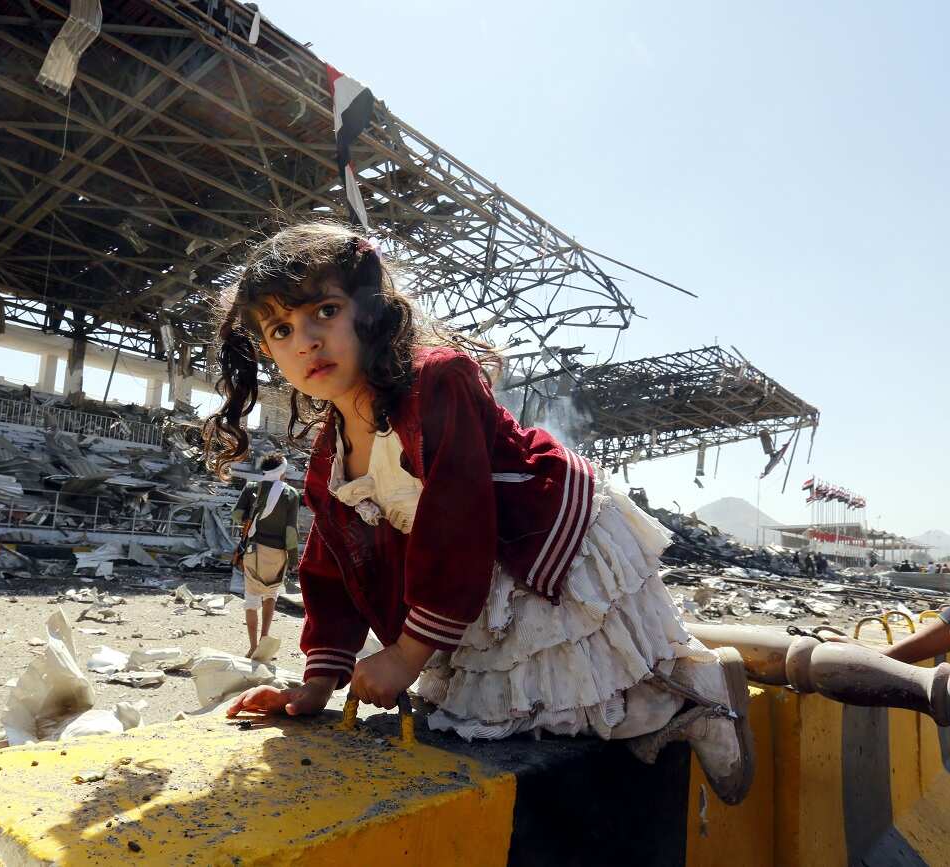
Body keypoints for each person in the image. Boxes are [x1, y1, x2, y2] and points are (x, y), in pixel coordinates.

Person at [204, 222, 755, 805]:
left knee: (581, 696)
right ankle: (669, 692)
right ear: (267, 353)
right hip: (474, 579)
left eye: (326, 310)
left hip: (539, 544)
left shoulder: (439, 379)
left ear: (370, 310)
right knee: (524, 714)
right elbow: (334, 563)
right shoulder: (329, 454)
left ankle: (700, 692)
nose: (307, 341)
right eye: (282, 329)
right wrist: (318, 682)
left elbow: (458, 521)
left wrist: (408, 655)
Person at [232, 453, 301, 657]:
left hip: (253, 550)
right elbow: (290, 531)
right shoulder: (290, 494)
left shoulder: (252, 487)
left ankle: (252, 647)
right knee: (270, 595)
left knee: (251, 600)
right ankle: (264, 641)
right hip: (277, 553)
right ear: (282, 471)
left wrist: (251, 520)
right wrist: (294, 558)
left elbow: (236, 515)